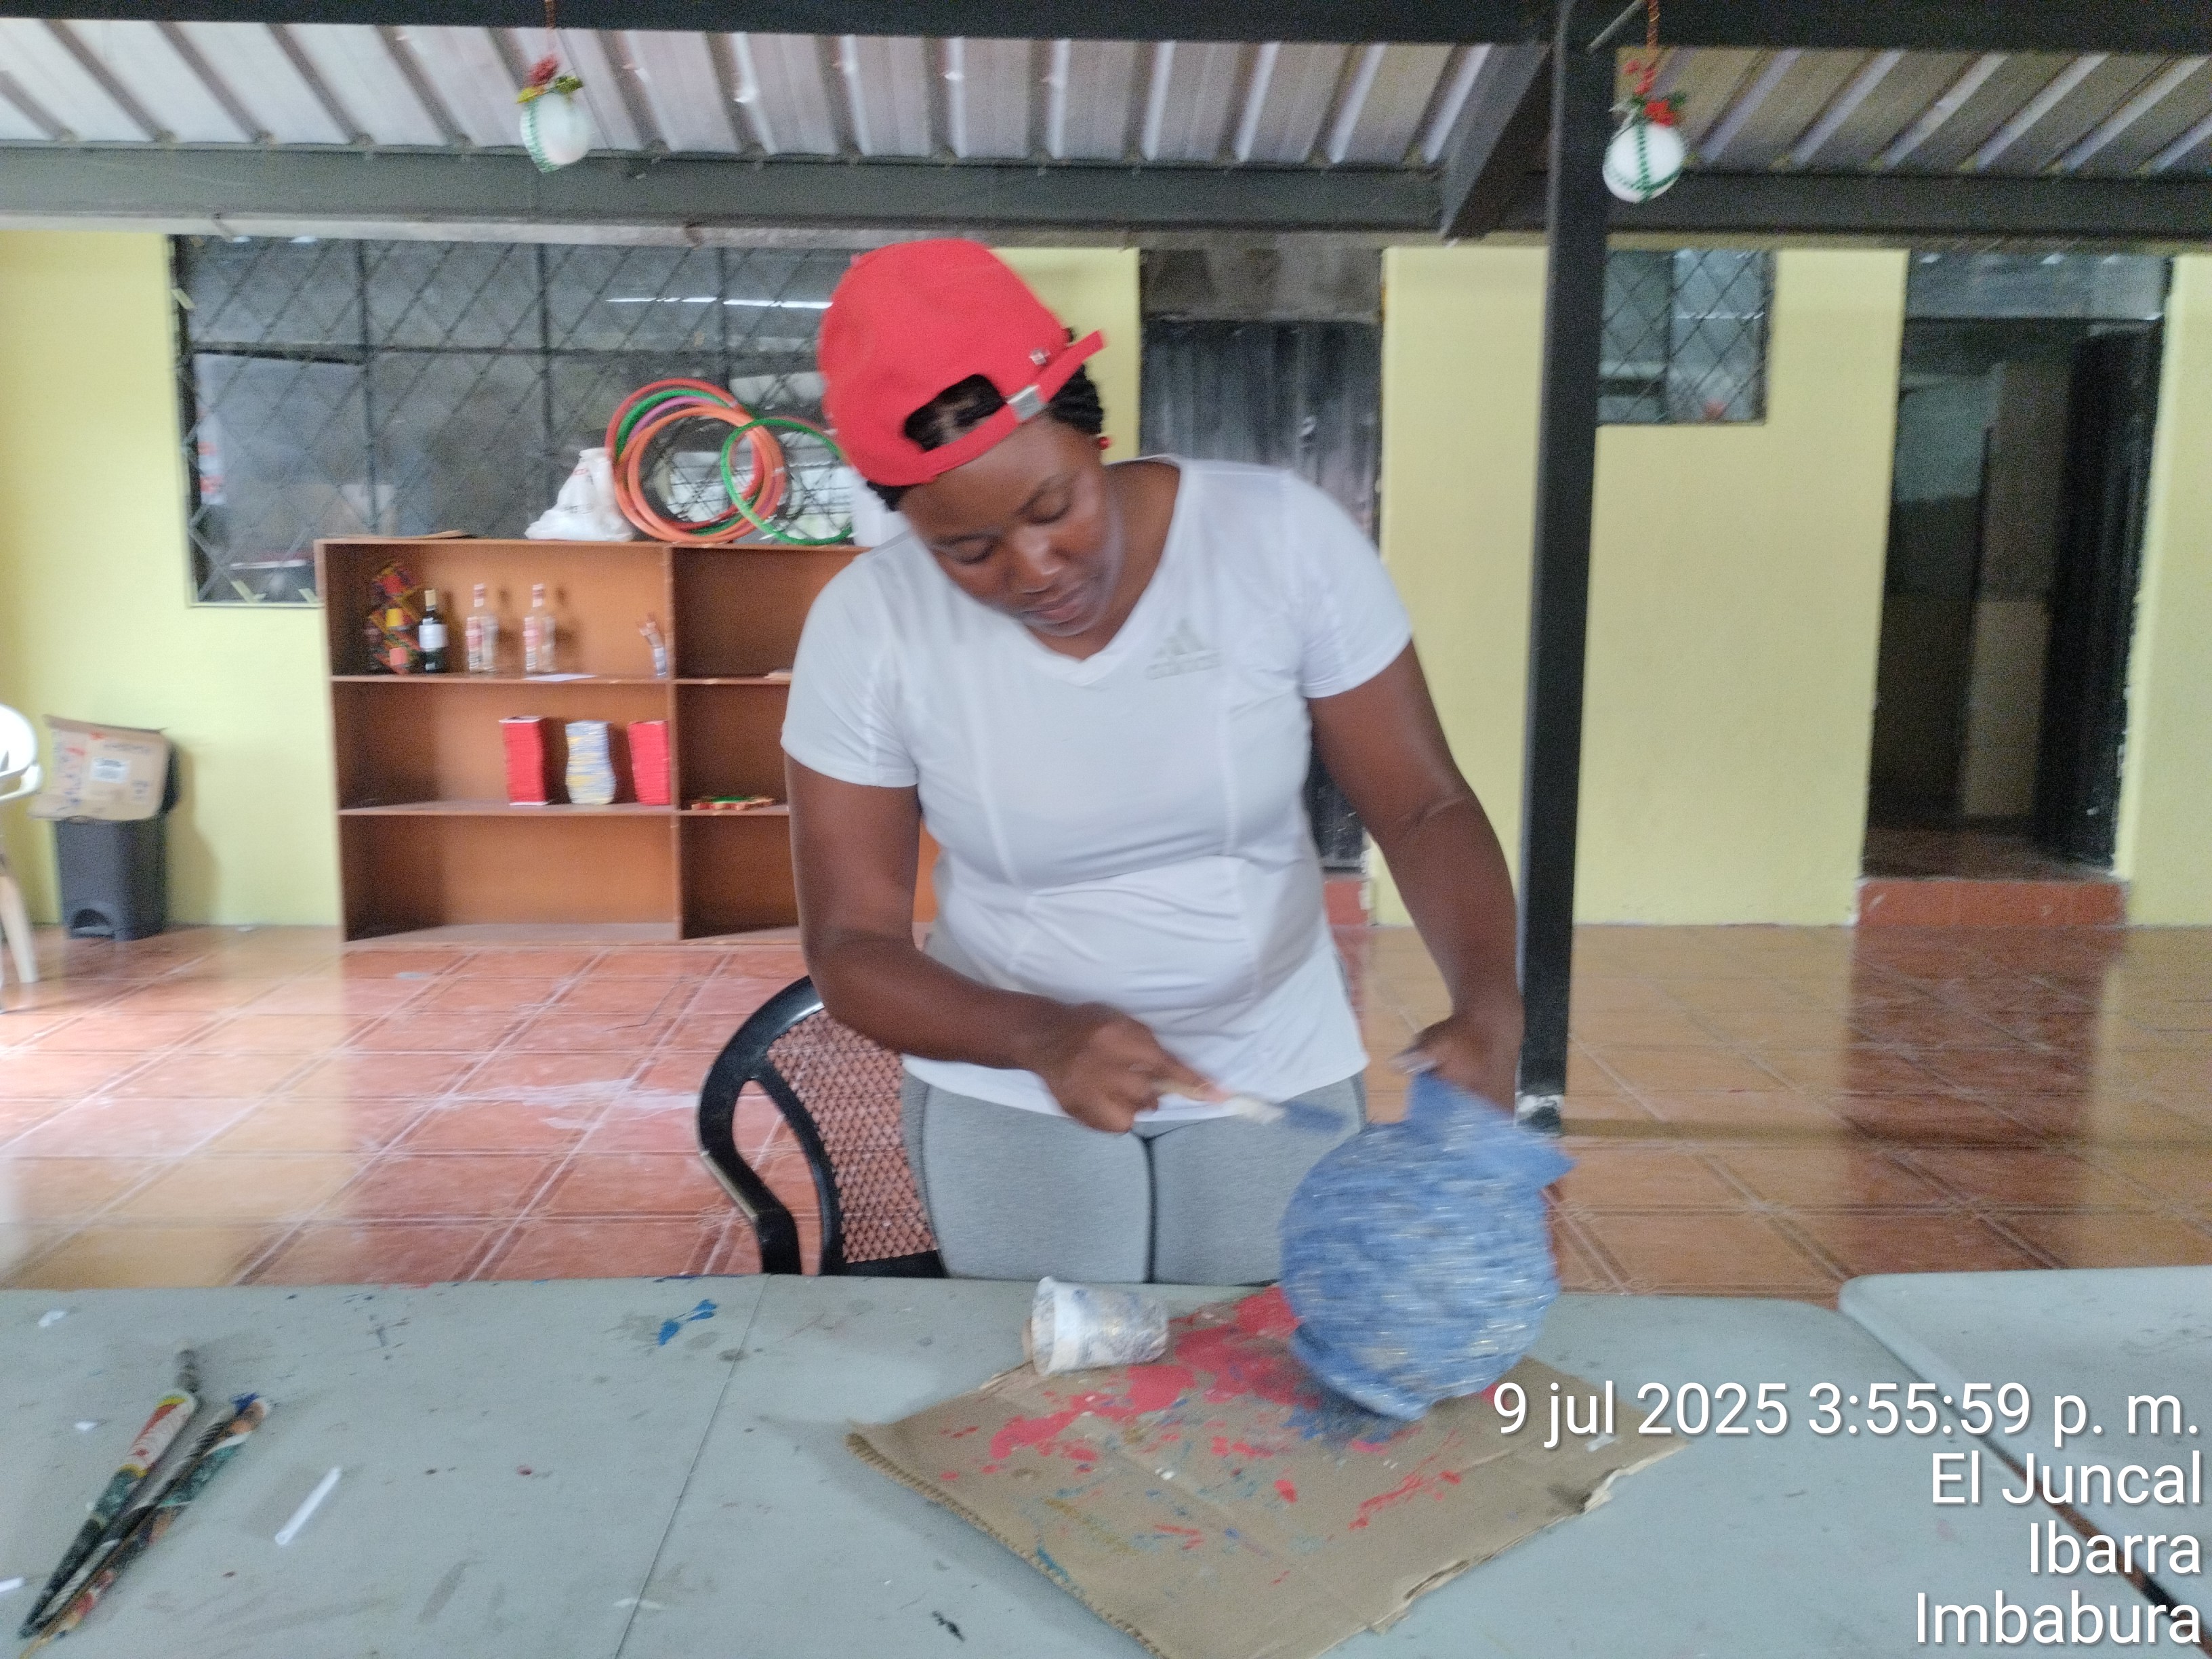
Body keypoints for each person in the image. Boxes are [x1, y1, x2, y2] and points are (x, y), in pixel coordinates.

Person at [783, 239, 1521, 1285]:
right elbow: (851, 945)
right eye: (969, 551)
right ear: (909, 523)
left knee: (1253, 1359)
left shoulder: (1280, 543)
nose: (1036, 570)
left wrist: (1488, 996)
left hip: (1271, 1058)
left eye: (1055, 507)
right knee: (1056, 1364)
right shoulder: (871, 627)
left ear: (1093, 434)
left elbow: (1422, 806)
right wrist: (1037, 1037)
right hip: (1011, 1075)